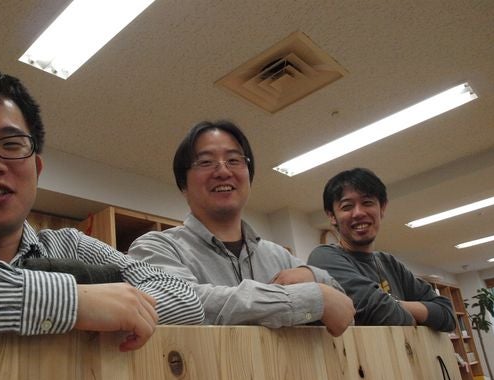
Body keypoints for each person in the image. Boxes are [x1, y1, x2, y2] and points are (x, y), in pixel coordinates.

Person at [0, 67, 204, 351]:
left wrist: (125, 306)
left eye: (11, 144)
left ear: (37, 169)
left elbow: (184, 297)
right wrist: (71, 302)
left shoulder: (73, 246)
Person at [128, 120, 355, 336]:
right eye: (205, 162)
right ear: (183, 185)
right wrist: (310, 300)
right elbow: (176, 304)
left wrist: (312, 275)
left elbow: (343, 309)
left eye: (234, 160)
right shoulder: (156, 247)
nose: (223, 171)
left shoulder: (279, 256)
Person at [307, 168, 455, 331]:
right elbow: (380, 313)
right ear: (332, 216)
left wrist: (394, 305)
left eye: (367, 203)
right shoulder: (324, 258)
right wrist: (417, 318)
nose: (358, 213)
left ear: (382, 208)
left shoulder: (390, 264)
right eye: (347, 206)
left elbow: (447, 315)